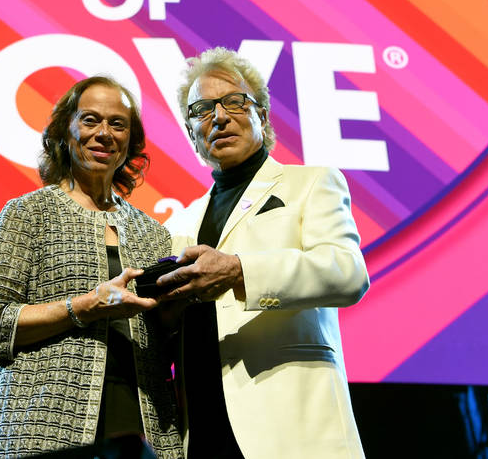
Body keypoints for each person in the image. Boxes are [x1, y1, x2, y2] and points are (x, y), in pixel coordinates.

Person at [158, 47, 370, 458]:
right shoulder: (178, 224)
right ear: (191, 134)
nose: (219, 117)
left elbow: (348, 273)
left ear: (263, 116)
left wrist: (239, 272)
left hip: (291, 425)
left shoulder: (312, 183)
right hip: (202, 426)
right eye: (201, 110)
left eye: (234, 101)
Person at [0, 76, 183, 459]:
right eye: (90, 120)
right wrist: (84, 307)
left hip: (141, 425)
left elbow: (162, 344)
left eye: (117, 124)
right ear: (65, 131)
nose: (104, 133)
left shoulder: (154, 234)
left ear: (130, 142)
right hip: (36, 426)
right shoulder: (28, 213)